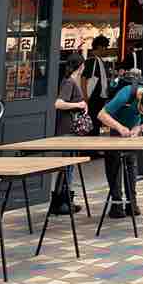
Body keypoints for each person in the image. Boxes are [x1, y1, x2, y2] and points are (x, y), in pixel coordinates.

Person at [97, 80, 143, 219]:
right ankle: (117, 204)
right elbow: (101, 115)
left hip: (132, 133)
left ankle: (131, 203)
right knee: (113, 164)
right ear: (140, 97)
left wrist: (139, 128)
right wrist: (119, 128)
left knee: (131, 165)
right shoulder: (125, 94)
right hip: (114, 128)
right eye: (141, 110)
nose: (141, 113)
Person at [52, 52, 88, 215]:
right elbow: (58, 103)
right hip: (68, 130)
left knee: (68, 166)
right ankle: (63, 201)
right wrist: (78, 105)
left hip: (69, 129)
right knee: (68, 166)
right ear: (80, 66)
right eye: (83, 64)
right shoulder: (69, 82)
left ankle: (64, 200)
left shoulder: (71, 81)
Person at [82, 34, 111, 135]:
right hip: (92, 99)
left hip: (97, 99)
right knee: (92, 124)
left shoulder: (98, 61)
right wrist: (85, 97)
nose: (106, 50)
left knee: (96, 124)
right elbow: (84, 78)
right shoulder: (92, 61)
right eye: (105, 47)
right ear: (99, 47)